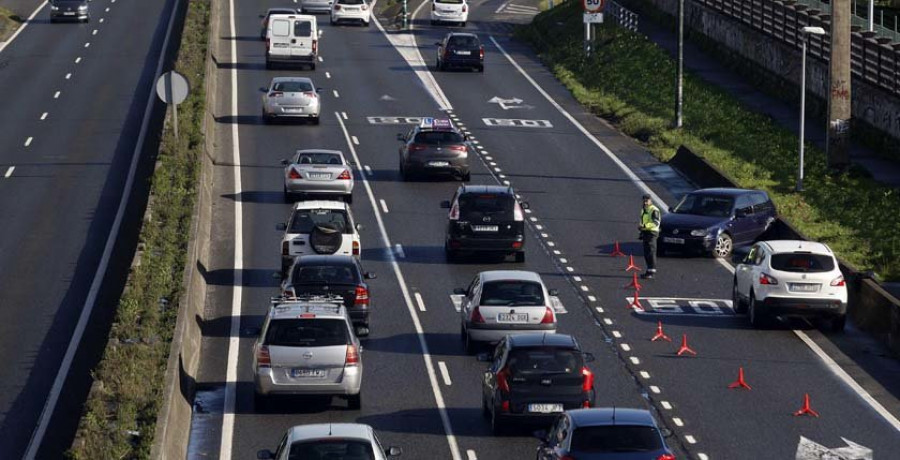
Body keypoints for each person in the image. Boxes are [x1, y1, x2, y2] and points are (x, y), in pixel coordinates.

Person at [638, 194, 661, 279]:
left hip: (652, 233)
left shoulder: (654, 210)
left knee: (651, 252)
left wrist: (644, 226)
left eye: (647, 201)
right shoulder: (644, 209)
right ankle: (648, 271)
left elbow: (656, 223)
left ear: (651, 200)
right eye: (644, 201)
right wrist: (642, 230)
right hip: (646, 232)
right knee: (647, 252)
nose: (645, 202)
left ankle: (651, 272)